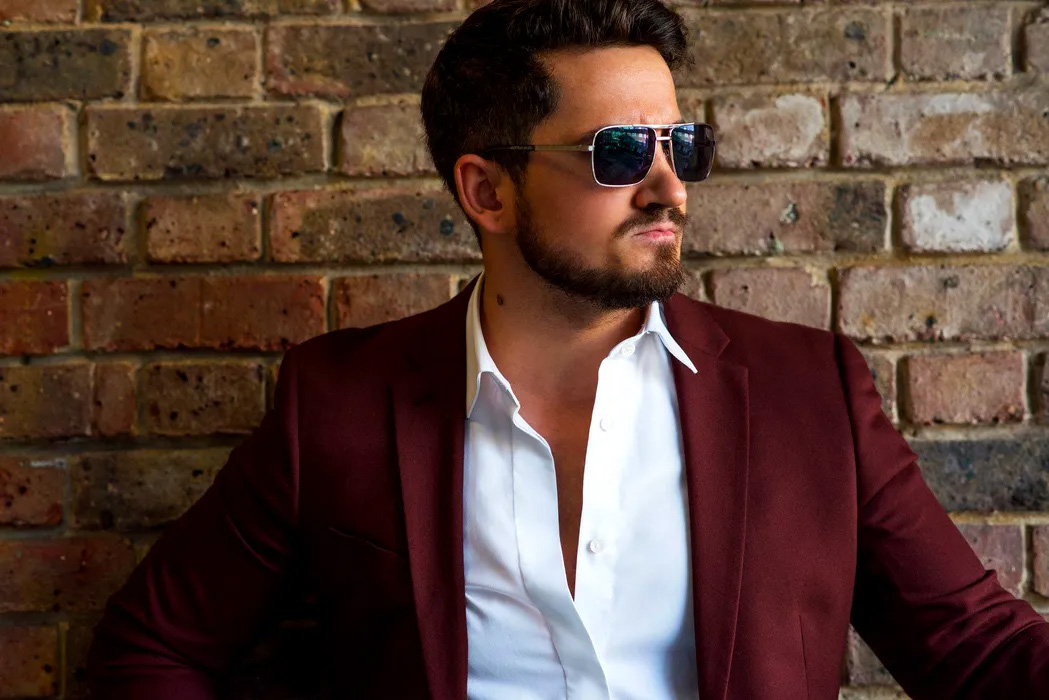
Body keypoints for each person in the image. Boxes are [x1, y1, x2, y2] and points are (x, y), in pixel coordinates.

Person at [86, 1, 1049, 698]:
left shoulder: (808, 393)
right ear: (486, 191)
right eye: (620, 153)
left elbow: (975, 650)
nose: (668, 188)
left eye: (681, 146)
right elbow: (151, 649)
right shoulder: (338, 402)